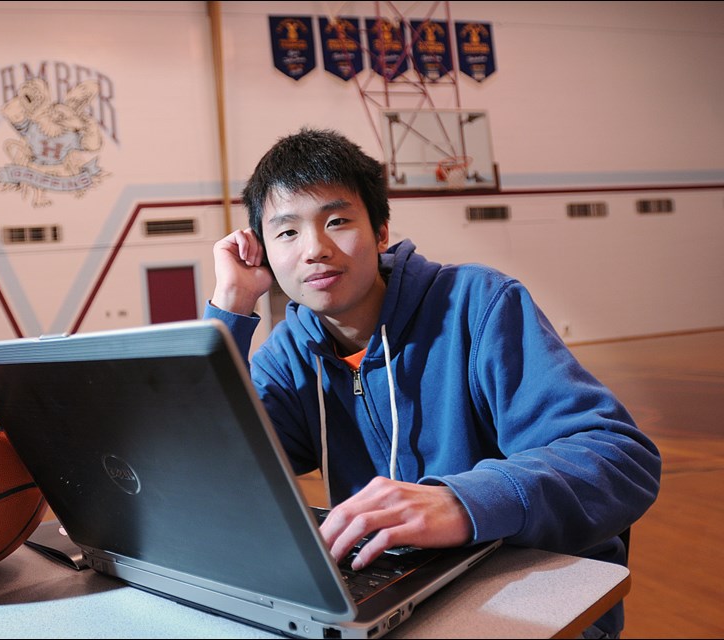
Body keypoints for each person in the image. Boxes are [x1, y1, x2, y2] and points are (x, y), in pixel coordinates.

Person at [204, 127, 661, 638]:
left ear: (380, 233)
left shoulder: (477, 304)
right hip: (395, 594)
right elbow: (208, 474)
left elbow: (620, 457)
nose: (315, 249)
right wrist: (229, 309)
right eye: (286, 232)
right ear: (264, 252)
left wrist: (464, 502)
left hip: (524, 594)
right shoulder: (292, 352)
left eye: (337, 220)